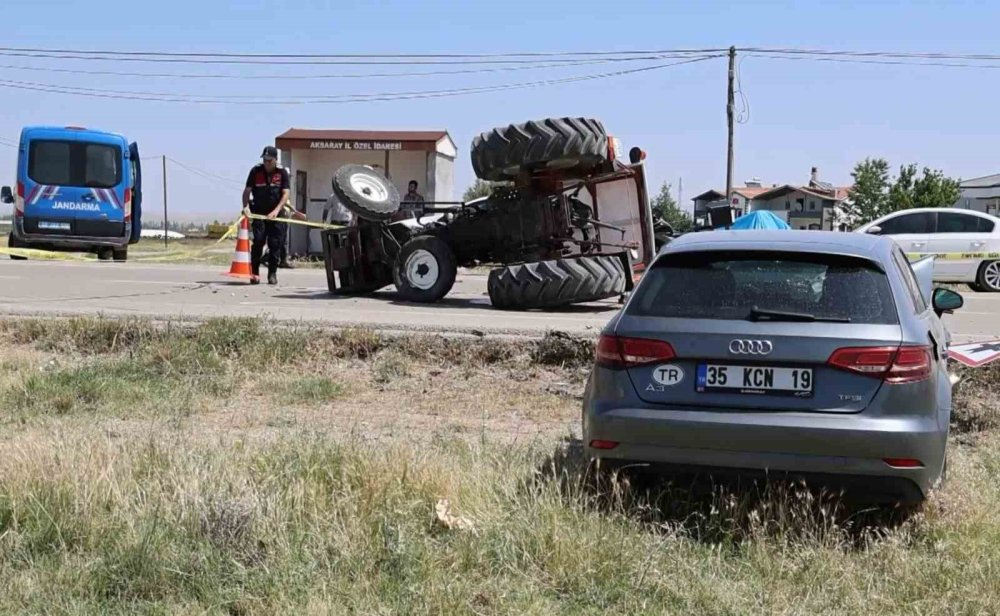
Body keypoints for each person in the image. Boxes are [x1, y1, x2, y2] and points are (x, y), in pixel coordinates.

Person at [242, 146, 290, 285]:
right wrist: (245, 207)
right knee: (258, 242)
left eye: (269, 160)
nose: (267, 162)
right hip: (259, 213)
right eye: (265, 159)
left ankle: (272, 273)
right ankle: (255, 273)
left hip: (276, 214)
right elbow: (247, 191)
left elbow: (286, 193)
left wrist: (276, 210)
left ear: (275, 160)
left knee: (275, 244)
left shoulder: (281, 173)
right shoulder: (256, 171)